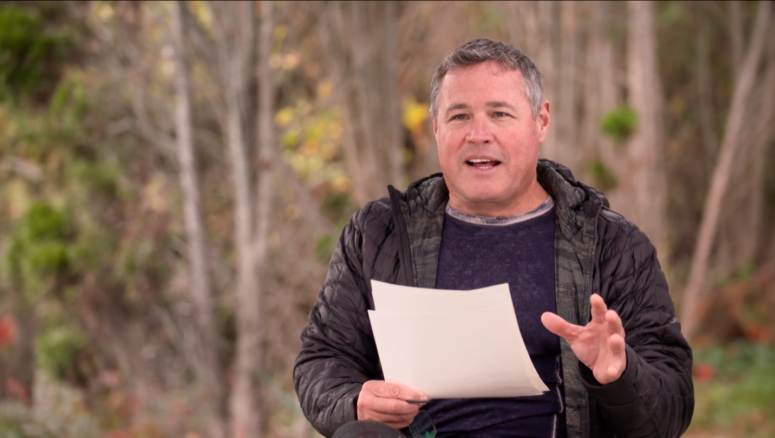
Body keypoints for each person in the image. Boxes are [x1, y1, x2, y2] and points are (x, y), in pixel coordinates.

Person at [294, 38, 694, 438]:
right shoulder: (379, 235)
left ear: (541, 121)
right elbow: (322, 359)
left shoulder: (611, 244)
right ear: (436, 127)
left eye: (500, 114)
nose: (478, 134)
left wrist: (620, 376)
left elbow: (671, 409)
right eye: (459, 117)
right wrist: (355, 400)